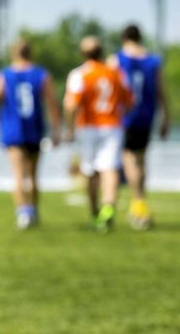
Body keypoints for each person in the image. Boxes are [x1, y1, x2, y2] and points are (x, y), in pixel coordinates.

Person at [0, 39, 61, 229]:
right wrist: (56, 129)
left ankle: (23, 213)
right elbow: (52, 103)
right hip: (35, 130)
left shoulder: (4, 75)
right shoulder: (41, 74)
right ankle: (34, 211)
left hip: (13, 131)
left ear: (14, 53)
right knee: (34, 175)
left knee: (19, 175)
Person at [64, 37, 132, 232]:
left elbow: (71, 104)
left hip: (88, 125)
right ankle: (108, 205)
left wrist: (69, 128)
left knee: (90, 170)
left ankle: (95, 212)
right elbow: (129, 101)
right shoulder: (116, 73)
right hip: (112, 125)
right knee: (110, 168)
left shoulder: (79, 74)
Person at [107, 25, 169, 230]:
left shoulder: (116, 60)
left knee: (129, 159)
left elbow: (108, 89)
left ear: (124, 38)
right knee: (141, 160)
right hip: (147, 115)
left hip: (125, 116)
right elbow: (160, 90)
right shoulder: (153, 61)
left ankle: (139, 205)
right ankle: (139, 205)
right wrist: (165, 116)